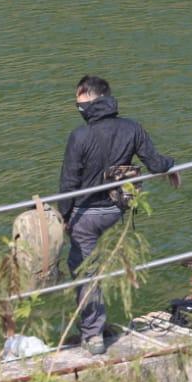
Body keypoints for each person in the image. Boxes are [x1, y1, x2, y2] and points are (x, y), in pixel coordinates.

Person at [59, 76, 177, 356]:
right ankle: (102, 322)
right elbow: (156, 162)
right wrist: (171, 166)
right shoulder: (131, 128)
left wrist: (64, 218)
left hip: (85, 216)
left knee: (85, 270)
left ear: (91, 100)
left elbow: (68, 184)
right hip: (116, 211)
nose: (78, 108)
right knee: (101, 264)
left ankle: (93, 335)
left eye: (79, 103)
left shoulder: (80, 136)